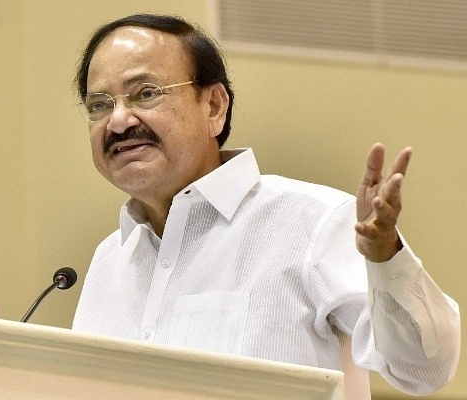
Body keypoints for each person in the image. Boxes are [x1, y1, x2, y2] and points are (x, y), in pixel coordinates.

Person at [71, 13, 460, 398]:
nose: (119, 121)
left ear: (213, 106)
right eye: (99, 105)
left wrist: (386, 259)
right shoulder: (110, 259)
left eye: (146, 93)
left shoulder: (314, 222)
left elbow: (425, 369)